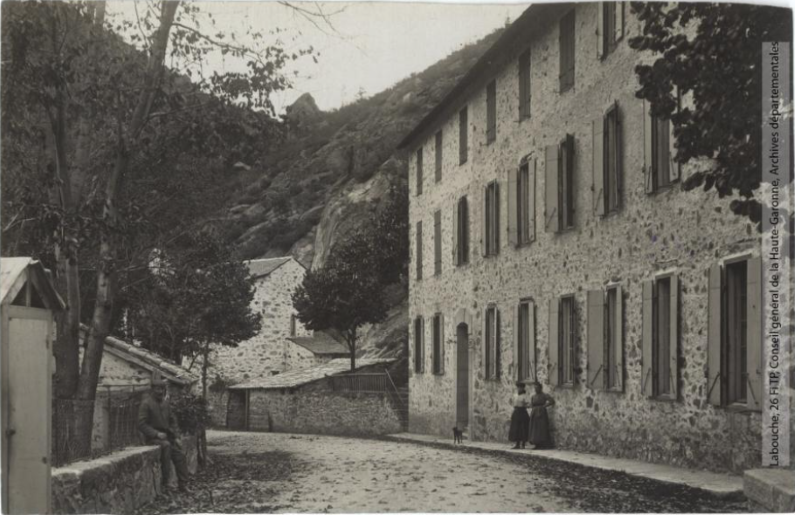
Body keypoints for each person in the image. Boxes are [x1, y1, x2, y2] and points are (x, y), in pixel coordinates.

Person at [138, 372, 189, 493]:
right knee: (166, 447)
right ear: (152, 390)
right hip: (152, 438)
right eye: (157, 389)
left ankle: (183, 484)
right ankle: (166, 484)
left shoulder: (166, 403)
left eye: (162, 389)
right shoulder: (146, 404)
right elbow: (141, 424)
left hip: (167, 437)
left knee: (180, 455)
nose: (160, 392)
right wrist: (156, 434)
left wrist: (176, 436)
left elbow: (172, 421)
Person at [528, 381, 555, 449]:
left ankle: (542, 443)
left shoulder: (544, 395)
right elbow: (531, 404)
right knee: (535, 428)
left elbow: (552, 401)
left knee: (541, 427)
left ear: (540, 388)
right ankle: (536, 443)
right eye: (535, 388)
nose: (536, 389)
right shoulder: (533, 396)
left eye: (537, 388)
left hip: (541, 413)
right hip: (534, 413)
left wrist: (544, 406)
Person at [508, 381, 530, 449]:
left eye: (520, 388)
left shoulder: (525, 396)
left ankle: (523, 444)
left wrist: (525, 405)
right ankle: (517, 444)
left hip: (522, 412)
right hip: (516, 412)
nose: (519, 389)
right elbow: (512, 402)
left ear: (523, 388)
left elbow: (528, 404)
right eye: (518, 388)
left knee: (523, 428)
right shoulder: (515, 395)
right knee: (516, 428)